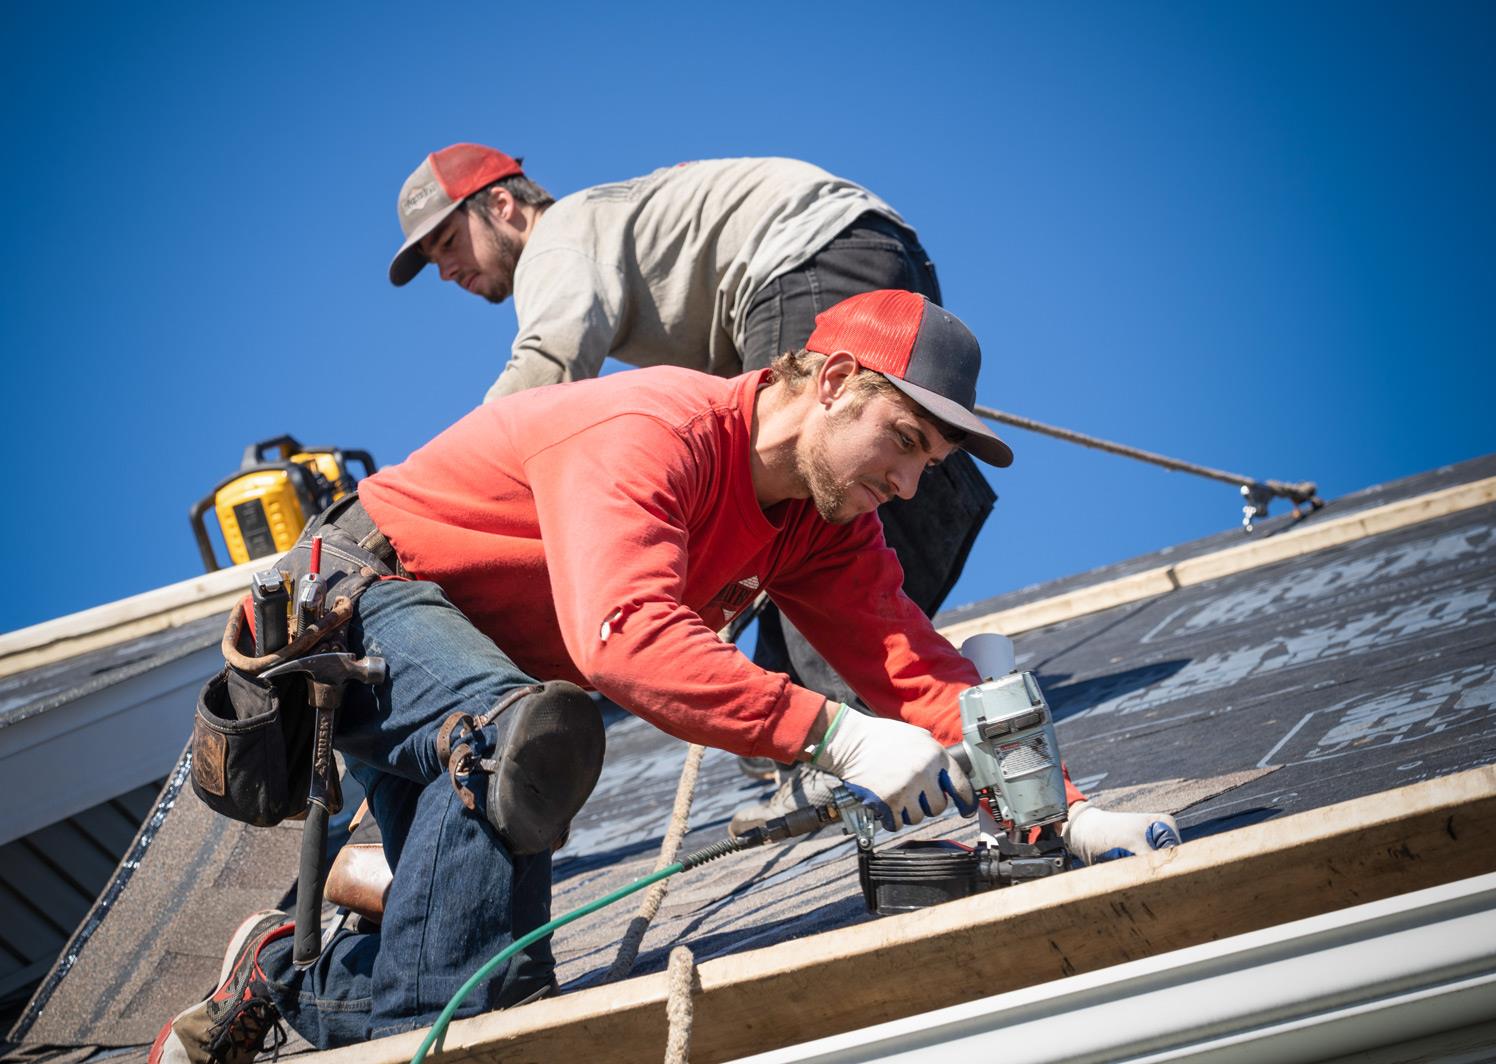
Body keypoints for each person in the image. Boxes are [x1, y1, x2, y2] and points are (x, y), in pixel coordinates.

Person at [149, 291, 1178, 1061]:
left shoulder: (819, 524)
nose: (907, 484)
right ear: (830, 382)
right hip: (355, 605)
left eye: (929, 466)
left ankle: (283, 977)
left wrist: (1062, 813)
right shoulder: (659, 433)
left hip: (484, 688)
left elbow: (912, 666)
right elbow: (624, 638)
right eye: (902, 442)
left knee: (503, 988)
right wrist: (837, 735)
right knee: (521, 740)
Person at [387, 145, 998, 815]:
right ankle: (838, 739)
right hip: (875, 250)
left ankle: (841, 751)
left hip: (811, 255)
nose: (446, 269)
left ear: (502, 205)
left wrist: (459, 473)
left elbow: (547, 369)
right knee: (813, 481)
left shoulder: (558, 241)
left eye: (449, 241)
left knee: (820, 477)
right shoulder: (661, 374)